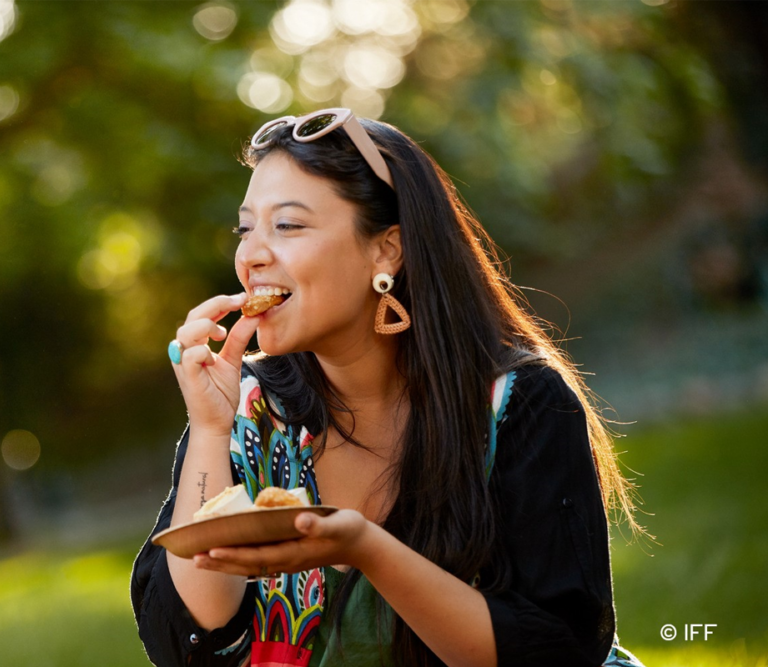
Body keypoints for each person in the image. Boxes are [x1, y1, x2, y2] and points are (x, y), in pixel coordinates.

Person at [130, 108, 645, 667]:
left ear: (387, 250)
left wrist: (366, 549)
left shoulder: (517, 404)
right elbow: (189, 646)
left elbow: (559, 650)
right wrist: (210, 427)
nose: (250, 255)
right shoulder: (251, 408)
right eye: (246, 227)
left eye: (288, 225)